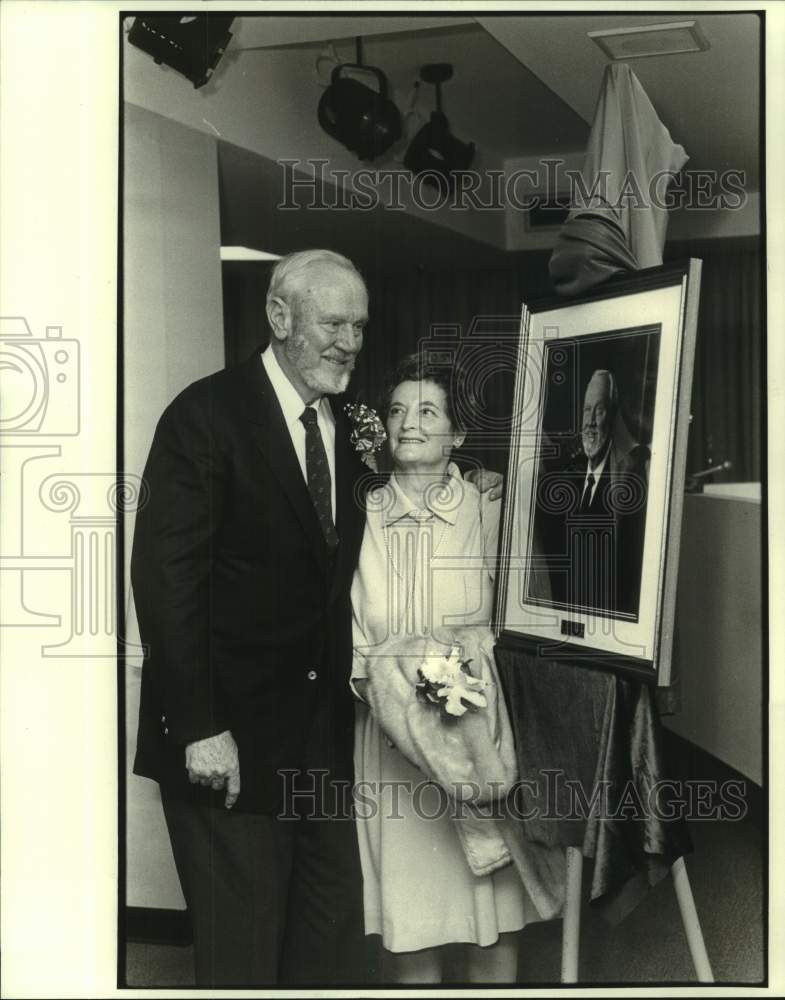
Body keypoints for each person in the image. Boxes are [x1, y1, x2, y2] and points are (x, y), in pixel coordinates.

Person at [131, 249, 502, 987]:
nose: (350, 342)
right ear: (279, 316)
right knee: (242, 954)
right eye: (334, 322)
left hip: (320, 740)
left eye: (359, 326)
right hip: (227, 742)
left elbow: (398, 501)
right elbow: (164, 581)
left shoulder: (350, 426)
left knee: (328, 941)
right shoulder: (205, 416)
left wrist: (473, 477)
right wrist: (200, 727)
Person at [350, 355, 540, 985]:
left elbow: (523, 623)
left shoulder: (491, 510)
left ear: (457, 434)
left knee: (492, 924)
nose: (407, 423)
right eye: (397, 411)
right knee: (414, 933)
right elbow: (350, 635)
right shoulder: (361, 515)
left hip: (479, 738)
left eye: (426, 411)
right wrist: (398, 688)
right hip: (393, 748)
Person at [532, 368, 649, 617]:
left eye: (600, 410)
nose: (591, 420)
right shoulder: (567, 481)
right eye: (587, 410)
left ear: (613, 416)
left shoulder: (625, 486)